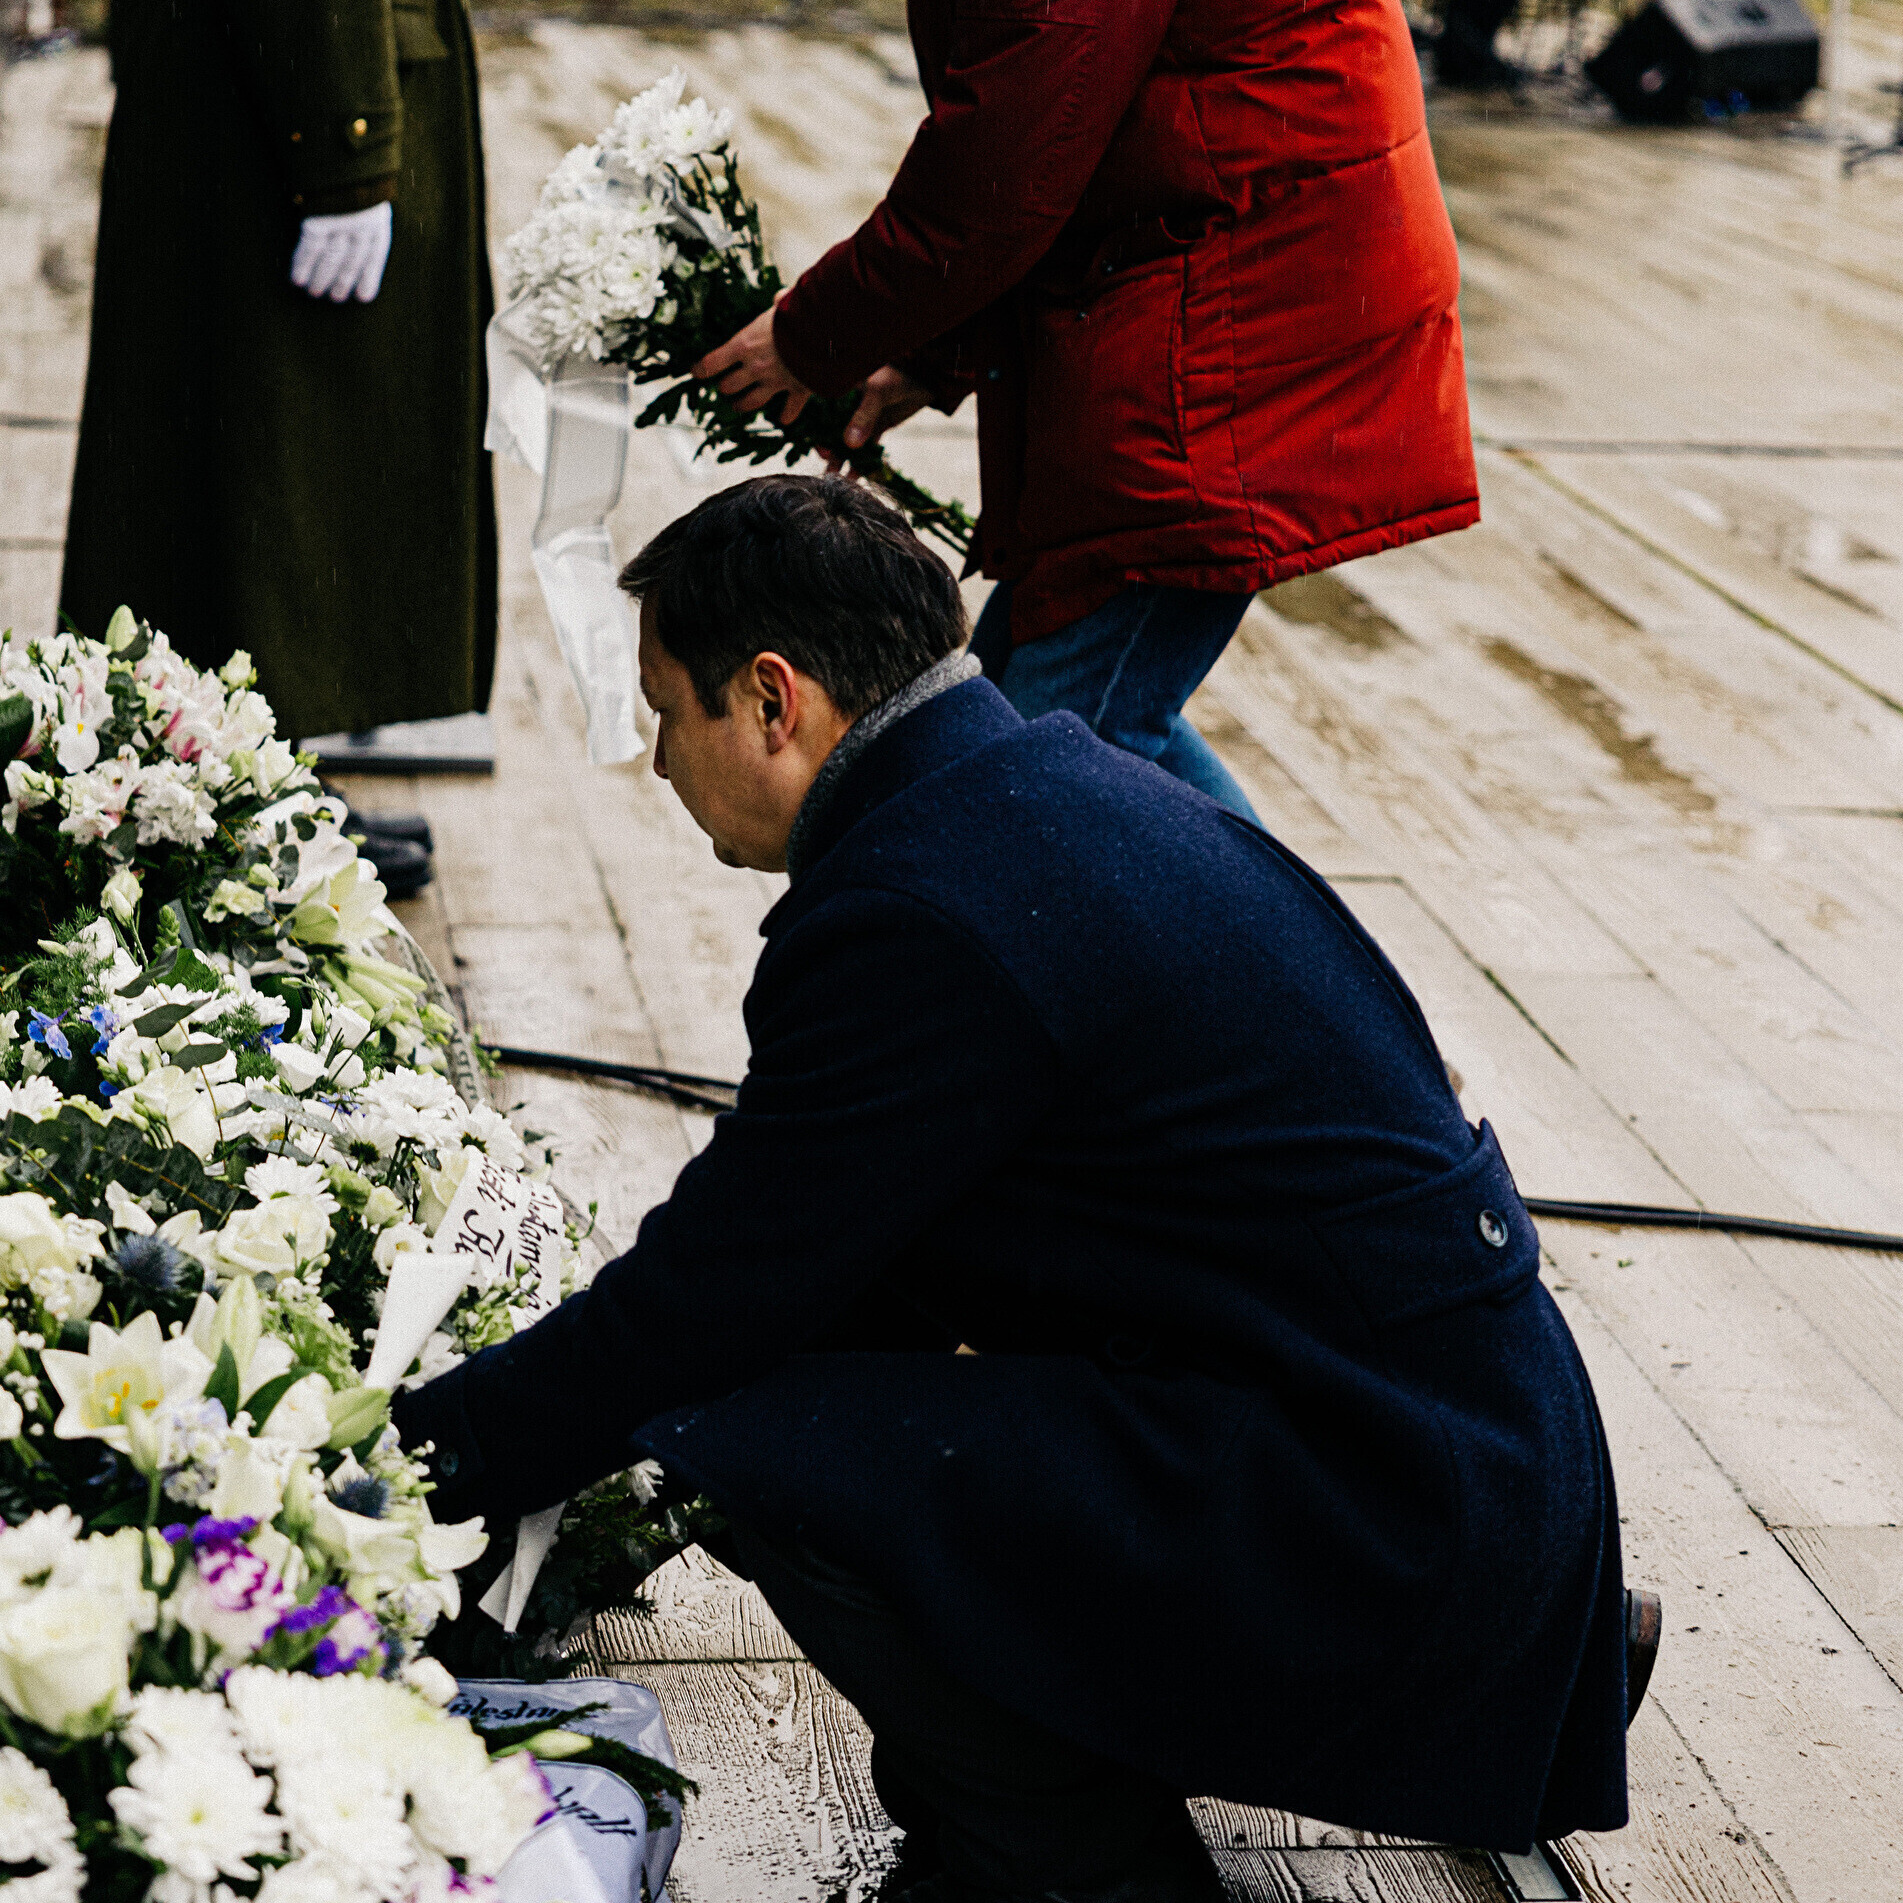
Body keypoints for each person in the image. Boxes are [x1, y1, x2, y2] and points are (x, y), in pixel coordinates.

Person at [396, 474, 1640, 1898]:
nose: (662, 762)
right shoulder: (1040, 795)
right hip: (1473, 1457)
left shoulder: (920, 905)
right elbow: (842, 1265)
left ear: (773, 699)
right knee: (822, 1382)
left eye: (668, 713)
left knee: (761, 1447)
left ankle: (1069, 1865)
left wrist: (399, 1471)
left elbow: (711, 1299)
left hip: (1398, 1518)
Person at [692, 0, 1479, 825]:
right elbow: (1069, 138)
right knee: (1033, 724)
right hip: (1182, 312)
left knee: (1036, 764)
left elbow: (1006, 167)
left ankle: (1263, 934)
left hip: (1236, 335)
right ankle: (1270, 928)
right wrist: (928, 352)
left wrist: (811, 338)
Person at [60, 0, 497, 819]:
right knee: (282, 445)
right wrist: (346, 146)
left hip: (283, 45)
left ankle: (242, 780)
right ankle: (234, 800)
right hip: (307, 64)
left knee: (263, 435)